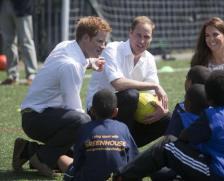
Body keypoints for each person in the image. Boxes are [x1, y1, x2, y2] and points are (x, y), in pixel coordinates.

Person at [12, 16, 112, 177]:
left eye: (104, 42)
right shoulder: (71, 65)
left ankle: (27, 149)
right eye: (100, 41)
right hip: (37, 120)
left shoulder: (66, 45)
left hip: (35, 115)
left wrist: (90, 62)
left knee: (77, 154)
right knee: (83, 123)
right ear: (86, 38)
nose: (103, 46)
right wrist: (94, 136)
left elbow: (78, 60)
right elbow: (74, 110)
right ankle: (41, 159)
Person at [112, 70, 224, 180]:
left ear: (208, 97)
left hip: (221, 176)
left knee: (167, 146)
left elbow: (183, 137)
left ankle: (122, 176)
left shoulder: (212, 116)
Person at [86, 16, 169, 147]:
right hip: (98, 112)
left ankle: (127, 147)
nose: (142, 41)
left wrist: (162, 109)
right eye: (138, 35)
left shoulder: (150, 59)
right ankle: (125, 149)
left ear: (151, 38)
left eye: (146, 37)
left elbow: (153, 95)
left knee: (167, 119)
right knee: (131, 95)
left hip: (127, 115)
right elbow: (118, 83)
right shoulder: (112, 49)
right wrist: (155, 85)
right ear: (130, 33)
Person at [59, 89, 139, 181]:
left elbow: (77, 162)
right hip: (119, 178)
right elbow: (133, 158)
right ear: (116, 111)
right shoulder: (123, 127)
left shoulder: (84, 129)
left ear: (92, 110)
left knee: (62, 158)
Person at [165, 65, 210, 137]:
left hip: (185, 146)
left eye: (186, 78)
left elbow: (170, 137)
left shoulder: (182, 109)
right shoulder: (215, 109)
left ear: (189, 83)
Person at [0, 0, 38, 85]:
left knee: (26, 41)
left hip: (22, 6)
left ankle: (32, 74)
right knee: (8, 42)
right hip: (3, 5)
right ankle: (12, 75)